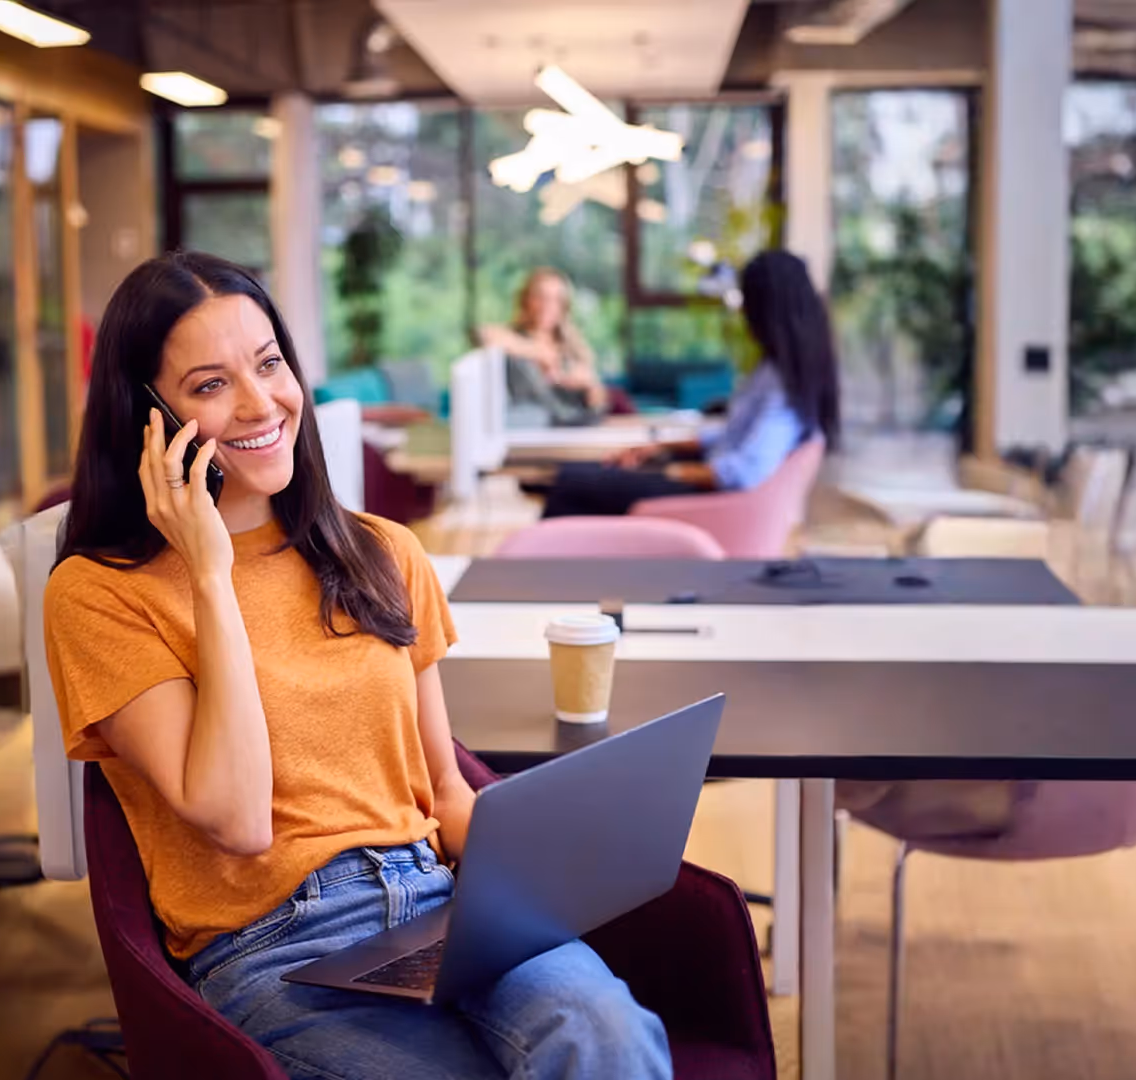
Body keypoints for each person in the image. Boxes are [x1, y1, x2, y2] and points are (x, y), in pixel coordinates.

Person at [44, 251, 673, 1080]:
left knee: (607, 1037)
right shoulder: (97, 596)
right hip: (273, 947)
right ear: (148, 415)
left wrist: (541, 883)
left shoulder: (382, 551)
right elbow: (236, 819)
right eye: (209, 384)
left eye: (269, 364)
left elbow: (443, 788)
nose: (261, 402)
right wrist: (208, 572)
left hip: (441, 902)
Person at [539, 250, 840, 518]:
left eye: (748, 300)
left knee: (571, 484)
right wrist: (660, 448)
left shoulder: (783, 383)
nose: (743, 313)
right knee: (582, 477)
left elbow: (744, 471)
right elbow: (733, 435)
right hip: (710, 486)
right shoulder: (777, 370)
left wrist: (670, 472)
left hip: (714, 501)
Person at [478, 267, 609, 424]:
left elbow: (596, 406)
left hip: (576, 432)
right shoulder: (514, 338)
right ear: (526, 300)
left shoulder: (573, 347)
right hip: (532, 431)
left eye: (556, 299)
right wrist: (541, 353)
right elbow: (484, 334)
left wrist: (590, 385)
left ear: (564, 306)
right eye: (541, 297)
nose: (547, 305)